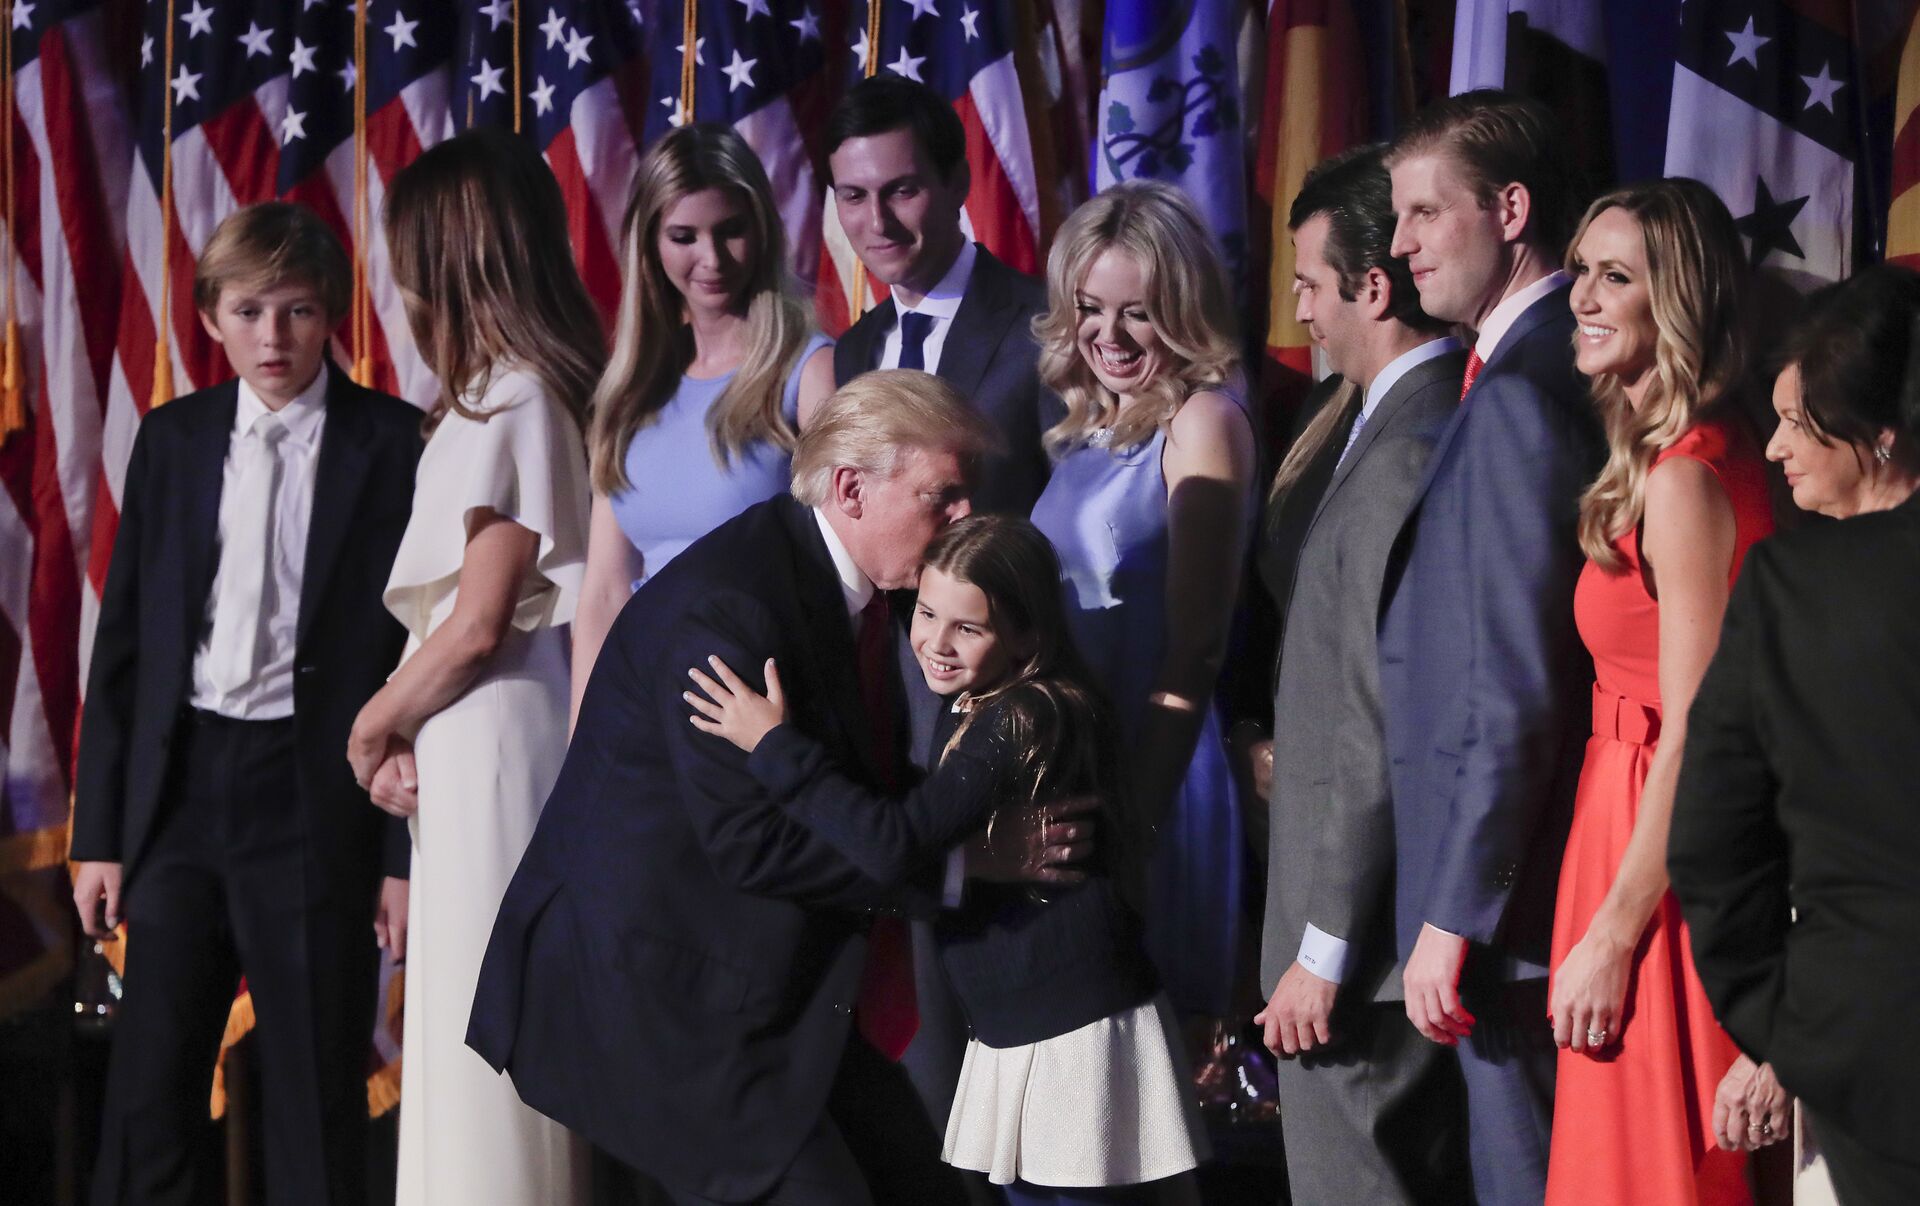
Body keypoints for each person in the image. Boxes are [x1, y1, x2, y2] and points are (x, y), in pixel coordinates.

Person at [468, 371, 1084, 1206]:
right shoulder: (731, 612)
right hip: (665, 1002)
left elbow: (853, 780)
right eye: (942, 496)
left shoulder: (847, 584)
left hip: (777, 996)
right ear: (850, 489)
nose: (966, 517)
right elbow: (754, 846)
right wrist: (963, 864)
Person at [684, 514, 1207, 1206]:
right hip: (1021, 1025)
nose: (935, 642)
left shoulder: (1026, 716)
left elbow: (895, 844)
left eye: (968, 627)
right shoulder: (976, 705)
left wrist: (773, 747)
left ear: (1027, 635)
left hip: (1072, 1035)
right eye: (927, 613)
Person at [69, 202, 420, 1205]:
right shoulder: (174, 440)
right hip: (182, 795)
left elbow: (417, 654)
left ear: (332, 315)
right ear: (210, 316)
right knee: (151, 1090)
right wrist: (102, 836)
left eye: (299, 310)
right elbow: (125, 649)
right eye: (250, 311)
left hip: (316, 795)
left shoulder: (393, 444)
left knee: (315, 1090)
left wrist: (398, 856)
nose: (274, 337)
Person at [348, 128, 601, 1205]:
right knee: (460, 1011)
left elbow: (481, 621)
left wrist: (372, 725)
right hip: (467, 732)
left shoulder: (520, 396)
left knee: (482, 1026)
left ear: (451, 256)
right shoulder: (492, 393)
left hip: (496, 733)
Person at [1377, 89, 1605, 1203]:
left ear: (1510, 211)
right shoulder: (1538, 366)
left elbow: (1516, 690)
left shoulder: (1525, 392)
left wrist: (1457, 911)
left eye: (1425, 212)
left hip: (1510, 920)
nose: (1400, 244)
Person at [1541, 179, 1775, 1205]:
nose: (1583, 298)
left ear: (1675, 301)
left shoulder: (1686, 476)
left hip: (1659, 855)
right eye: (1581, 272)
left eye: (1616, 278)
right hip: (1625, 827)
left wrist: (1614, 934)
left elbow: (1697, 729)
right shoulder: (1667, 456)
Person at [1670, 265, 1920, 1205]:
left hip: (1870, 1052)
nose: (1771, 446)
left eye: (1797, 422)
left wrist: (1788, 1027)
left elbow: (1712, 844)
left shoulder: (1790, 593)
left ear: (1881, 430)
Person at [1251, 145, 1468, 1203]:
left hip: (1361, 956)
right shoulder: (1367, 422)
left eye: (1308, 285)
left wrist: (1323, 948)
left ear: (1372, 289)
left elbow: (1380, 720)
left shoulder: (1408, 448)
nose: (1299, 312)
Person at [1029, 180, 1257, 1020]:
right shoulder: (1085, 430)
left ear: (1184, 310)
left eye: (1139, 312)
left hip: (1158, 778)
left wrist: (1138, 819)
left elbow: (1197, 646)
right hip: (1080, 776)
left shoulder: (1202, 421)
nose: (1109, 335)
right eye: (1091, 309)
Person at [571, 122, 835, 721]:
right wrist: (581, 747)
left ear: (761, 228)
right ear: (649, 244)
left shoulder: (808, 370)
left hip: (757, 710)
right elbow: (605, 591)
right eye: (684, 236)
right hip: (640, 707)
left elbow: (838, 572)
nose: (711, 259)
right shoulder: (630, 393)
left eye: (730, 230)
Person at [828, 74, 1060, 515]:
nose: (877, 223)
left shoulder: (1044, 326)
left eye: (901, 191)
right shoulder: (853, 350)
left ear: (958, 183)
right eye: (854, 196)